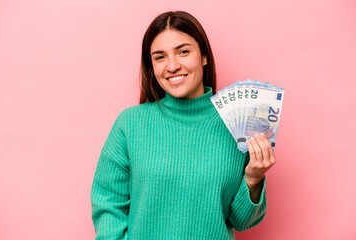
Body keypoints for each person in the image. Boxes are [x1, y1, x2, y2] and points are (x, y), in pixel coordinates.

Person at [91, 10, 276, 239]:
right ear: (152, 66)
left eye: (183, 52)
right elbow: (108, 203)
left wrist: (253, 178)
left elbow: (241, 220)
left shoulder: (237, 124)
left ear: (204, 56)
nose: (172, 66)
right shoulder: (129, 124)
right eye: (160, 57)